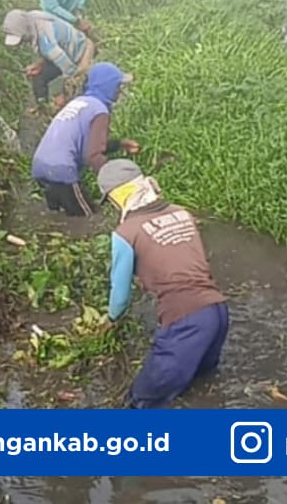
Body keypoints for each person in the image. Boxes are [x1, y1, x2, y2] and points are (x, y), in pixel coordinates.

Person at [98, 159, 229, 409]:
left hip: (186, 322)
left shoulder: (126, 233)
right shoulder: (181, 213)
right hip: (218, 312)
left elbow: (120, 297)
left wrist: (111, 320)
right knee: (204, 386)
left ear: (118, 195)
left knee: (140, 401)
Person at [30, 64, 139, 217]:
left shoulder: (81, 102)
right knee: (88, 217)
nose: (119, 91)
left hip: (40, 165)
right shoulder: (100, 111)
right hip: (61, 170)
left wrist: (119, 144)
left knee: (58, 216)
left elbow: (86, 145)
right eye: (117, 86)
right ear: (107, 85)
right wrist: (117, 183)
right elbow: (93, 155)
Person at [3, 8, 95, 112]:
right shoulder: (33, 18)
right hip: (66, 51)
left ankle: (52, 110)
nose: (21, 43)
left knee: (70, 98)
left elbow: (70, 70)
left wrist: (64, 95)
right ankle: (43, 108)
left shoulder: (48, 44)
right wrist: (39, 64)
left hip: (80, 54)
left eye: (22, 39)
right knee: (38, 77)